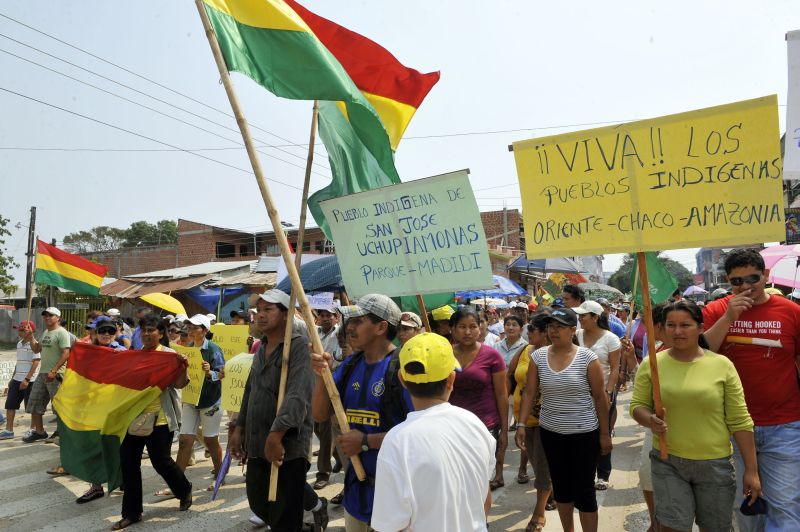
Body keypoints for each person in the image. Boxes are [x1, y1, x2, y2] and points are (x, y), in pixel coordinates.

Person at [631, 300, 761, 532]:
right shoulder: (652, 364)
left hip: (715, 465)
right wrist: (649, 419)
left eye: (685, 325)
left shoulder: (722, 365)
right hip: (667, 461)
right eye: (671, 325)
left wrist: (751, 470)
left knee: (716, 527)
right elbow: (638, 405)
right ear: (663, 328)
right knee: (671, 527)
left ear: (700, 328)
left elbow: (740, 420)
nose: (677, 331)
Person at [702, 248, 800, 531]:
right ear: (728, 281)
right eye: (736, 281)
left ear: (765, 276)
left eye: (752, 278)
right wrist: (728, 317)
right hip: (730, 427)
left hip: (784, 425)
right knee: (745, 509)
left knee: (785, 506)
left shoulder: (792, 312)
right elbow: (700, 356)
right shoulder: (716, 311)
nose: (745, 286)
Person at [372, 333, 495, 532]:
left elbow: (389, 526)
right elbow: (485, 502)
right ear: (451, 379)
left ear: (402, 379)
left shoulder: (397, 441)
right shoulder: (476, 425)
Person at [311, 294, 410, 531]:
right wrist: (322, 375)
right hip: (356, 492)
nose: (349, 327)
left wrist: (366, 441)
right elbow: (320, 415)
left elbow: (417, 434)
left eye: (358, 321)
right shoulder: (350, 365)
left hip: (394, 496)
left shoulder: (403, 368)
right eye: (350, 321)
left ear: (381, 327)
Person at [228, 289, 325, 531]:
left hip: (287, 445)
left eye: (268, 310)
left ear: (285, 315)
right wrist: (239, 428)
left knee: (284, 514)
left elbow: (298, 395)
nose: (260, 315)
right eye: (258, 310)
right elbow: (250, 390)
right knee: (259, 503)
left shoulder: (300, 347)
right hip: (257, 441)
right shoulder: (261, 347)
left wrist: (276, 435)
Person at [515, 308, 611, 532]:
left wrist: (605, 434)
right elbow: (530, 392)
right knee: (561, 488)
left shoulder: (587, 358)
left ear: (572, 330)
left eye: (560, 327)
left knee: (585, 491)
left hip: (584, 434)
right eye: (551, 326)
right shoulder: (538, 357)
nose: (554, 331)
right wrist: (520, 424)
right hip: (551, 433)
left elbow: (600, 397)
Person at [114, 314, 192, 530]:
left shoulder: (170, 355)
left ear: (161, 333)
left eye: (151, 330)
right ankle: (132, 513)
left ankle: (184, 489)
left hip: (161, 419)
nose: (147, 334)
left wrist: (183, 367)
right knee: (129, 464)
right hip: (135, 418)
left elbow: (179, 384)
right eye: (144, 330)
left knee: (161, 462)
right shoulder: (135, 356)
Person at [448, 307, 508, 491]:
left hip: (485, 427)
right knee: (456, 479)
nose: (468, 332)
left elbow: (501, 394)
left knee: (480, 480)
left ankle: (481, 510)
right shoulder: (445, 354)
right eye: (462, 327)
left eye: (473, 326)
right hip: (453, 427)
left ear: (480, 328)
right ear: (453, 329)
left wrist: (504, 431)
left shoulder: (492, 355)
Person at [508, 312, 554, 532]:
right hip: (524, 418)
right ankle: (550, 493)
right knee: (536, 462)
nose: (528, 333)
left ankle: (539, 513)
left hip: (547, 420)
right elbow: (510, 373)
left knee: (543, 466)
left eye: (532, 329)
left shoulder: (554, 353)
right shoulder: (525, 350)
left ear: (545, 333)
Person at [74, 317, 127, 504]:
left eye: (110, 331)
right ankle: (96, 486)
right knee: (92, 447)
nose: (106, 334)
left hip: (115, 407)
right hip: (92, 407)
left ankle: (123, 480)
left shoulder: (123, 352)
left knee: (117, 445)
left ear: (116, 333)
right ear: (95, 333)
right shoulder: (87, 352)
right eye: (102, 331)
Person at [173, 314, 225, 491]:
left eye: (195, 327)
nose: (191, 330)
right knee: (184, 440)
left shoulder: (214, 349)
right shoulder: (187, 349)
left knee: (210, 440)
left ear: (205, 330)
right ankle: (177, 483)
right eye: (189, 327)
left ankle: (219, 475)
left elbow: (222, 374)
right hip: (190, 400)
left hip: (211, 401)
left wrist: (210, 372)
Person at [574, 300, 622, 490]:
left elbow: (615, 368)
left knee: (604, 431)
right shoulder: (576, 335)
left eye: (583, 316)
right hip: (580, 393)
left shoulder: (611, 339)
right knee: (583, 433)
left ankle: (603, 474)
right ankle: (585, 471)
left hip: (602, 392)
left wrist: (608, 392)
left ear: (595, 317)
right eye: (579, 316)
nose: (580, 319)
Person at [23, 307, 70, 443]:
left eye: (51, 315)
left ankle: (61, 433)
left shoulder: (62, 332)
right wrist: (31, 337)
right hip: (43, 373)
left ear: (58, 318)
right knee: (34, 402)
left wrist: (54, 370)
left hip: (56, 374)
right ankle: (40, 432)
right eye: (45, 315)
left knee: (58, 406)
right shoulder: (45, 332)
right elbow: (36, 349)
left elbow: (66, 353)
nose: (47, 317)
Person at [312, 304, 341, 490]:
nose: (324, 318)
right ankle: (339, 457)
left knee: (326, 431)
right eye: (321, 315)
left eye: (328, 315)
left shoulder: (340, 334)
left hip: (334, 385)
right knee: (318, 427)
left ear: (336, 318)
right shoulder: (315, 333)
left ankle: (323, 472)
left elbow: (340, 357)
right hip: (316, 385)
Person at [0, 320, 40, 440]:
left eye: (22, 330)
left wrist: (27, 379)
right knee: (10, 404)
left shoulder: (35, 344)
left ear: (29, 331)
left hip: (30, 380)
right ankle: (9, 430)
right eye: (19, 329)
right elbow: (19, 362)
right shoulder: (19, 344)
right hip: (17, 379)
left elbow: (36, 362)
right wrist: (13, 378)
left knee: (31, 407)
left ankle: (33, 429)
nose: (19, 331)